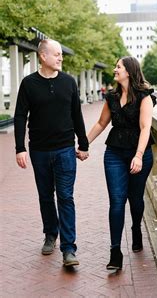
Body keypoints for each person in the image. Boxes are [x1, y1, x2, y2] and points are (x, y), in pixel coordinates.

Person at [14, 39, 89, 267]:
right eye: (56, 54)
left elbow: (77, 114)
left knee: (65, 197)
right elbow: (19, 117)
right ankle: (50, 234)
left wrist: (83, 144)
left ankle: (69, 249)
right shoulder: (28, 84)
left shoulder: (69, 82)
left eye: (61, 55)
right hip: (39, 151)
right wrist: (20, 147)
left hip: (65, 149)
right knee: (46, 196)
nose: (60, 58)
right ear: (43, 56)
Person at [86, 56, 156, 270]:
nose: (115, 70)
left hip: (140, 154)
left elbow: (145, 127)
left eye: (118, 67)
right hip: (114, 153)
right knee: (117, 201)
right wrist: (83, 144)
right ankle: (115, 252)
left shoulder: (145, 97)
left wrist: (138, 155)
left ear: (129, 72)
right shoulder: (112, 97)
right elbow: (101, 123)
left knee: (135, 200)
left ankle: (136, 228)